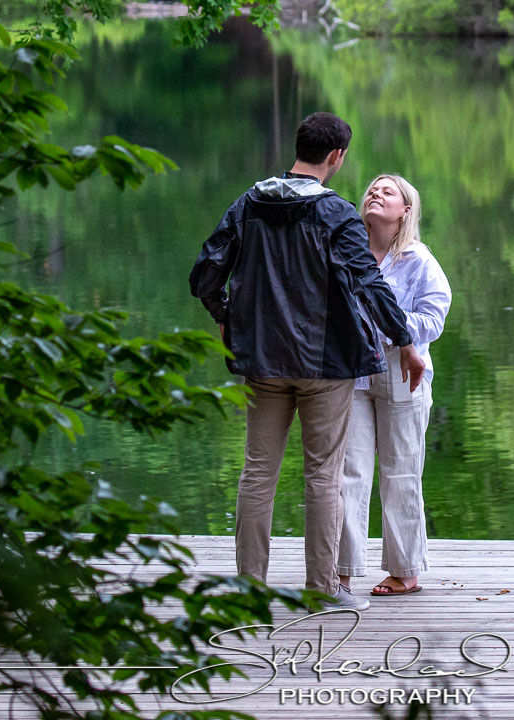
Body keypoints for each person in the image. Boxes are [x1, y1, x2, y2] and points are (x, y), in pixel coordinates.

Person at [188, 113, 426, 611]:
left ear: (299, 146)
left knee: (257, 473)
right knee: (323, 476)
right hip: (325, 365)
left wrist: (225, 316)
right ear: (336, 156)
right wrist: (405, 341)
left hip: (262, 364)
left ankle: (249, 586)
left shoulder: (248, 203)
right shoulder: (337, 213)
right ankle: (324, 588)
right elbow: (369, 283)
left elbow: (205, 273)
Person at [337, 174, 451, 597]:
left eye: (387, 192)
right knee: (347, 472)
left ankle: (405, 570)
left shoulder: (419, 260)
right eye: (372, 189)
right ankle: (341, 570)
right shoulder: (346, 253)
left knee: (401, 470)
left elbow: (433, 319)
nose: (375, 194)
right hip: (351, 369)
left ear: (405, 210)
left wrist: (389, 328)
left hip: (403, 367)